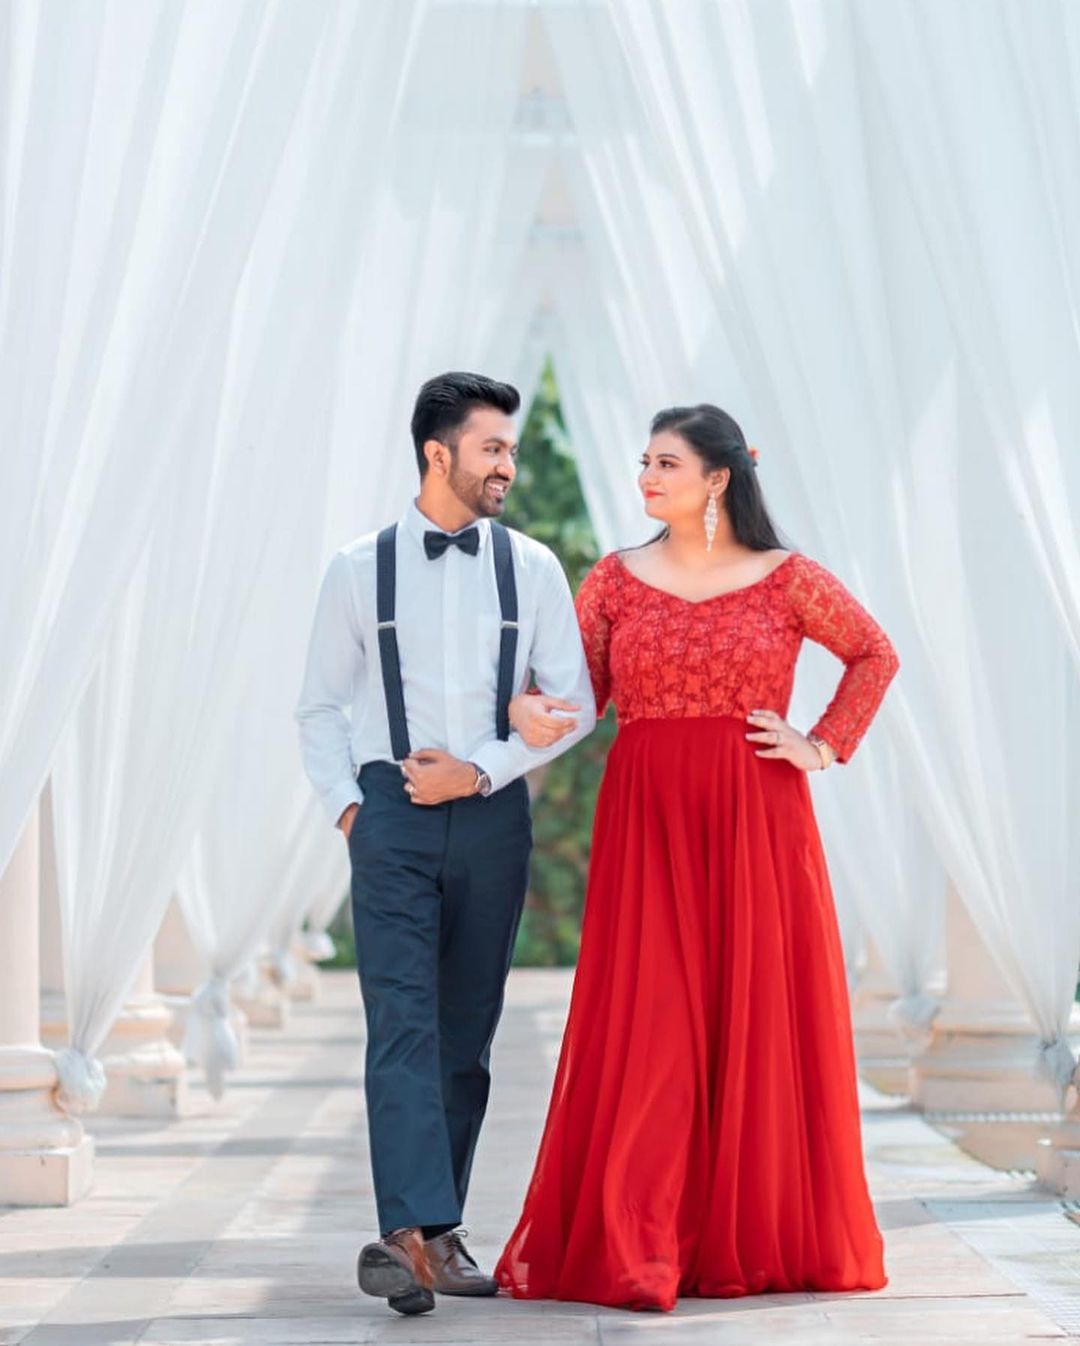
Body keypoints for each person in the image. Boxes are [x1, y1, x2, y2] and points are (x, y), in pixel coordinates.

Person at [497, 403, 898, 1311]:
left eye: (666, 463)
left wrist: (824, 744)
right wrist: (524, 713)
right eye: (645, 462)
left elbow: (874, 654)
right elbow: (577, 694)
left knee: (751, 1011)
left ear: (717, 478)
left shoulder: (787, 577)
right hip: (648, 817)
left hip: (759, 816)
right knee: (653, 1022)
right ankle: (643, 1239)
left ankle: (743, 1233)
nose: (647, 477)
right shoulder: (614, 580)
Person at [296, 371, 596, 1316]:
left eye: (508, 447)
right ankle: (406, 1233)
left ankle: (437, 1230)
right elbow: (318, 707)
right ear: (439, 453)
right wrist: (354, 809)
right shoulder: (357, 568)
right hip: (389, 818)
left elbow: (577, 705)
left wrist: (482, 771)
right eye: (492, 448)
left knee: (465, 1037)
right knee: (402, 1025)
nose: (508, 463)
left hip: (493, 815)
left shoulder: (535, 568)